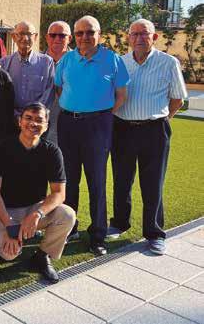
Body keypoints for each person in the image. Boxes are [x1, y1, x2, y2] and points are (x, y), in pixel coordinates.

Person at [108, 19, 187, 255]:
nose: (139, 38)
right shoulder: (120, 63)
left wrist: (162, 119)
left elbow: (177, 99)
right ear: (128, 38)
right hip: (122, 129)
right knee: (122, 180)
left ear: (154, 37)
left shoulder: (168, 63)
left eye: (144, 34)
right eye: (134, 34)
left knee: (153, 183)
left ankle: (154, 233)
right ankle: (119, 223)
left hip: (155, 130)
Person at [54, 15, 129, 256]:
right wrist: (76, 108)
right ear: (74, 36)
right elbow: (59, 88)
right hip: (68, 123)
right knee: (69, 179)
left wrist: (100, 115)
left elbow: (121, 95)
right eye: (79, 33)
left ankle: (97, 235)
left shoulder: (112, 60)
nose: (84, 37)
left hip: (98, 125)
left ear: (99, 34)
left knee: (96, 181)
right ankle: (69, 228)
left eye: (90, 32)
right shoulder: (67, 60)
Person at [0, 102, 75, 283]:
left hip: (34, 210)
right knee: (8, 254)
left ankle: (42, 256)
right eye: (28, 118)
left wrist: (38, 213)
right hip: (6, 212)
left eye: (39, 120)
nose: (33, 123)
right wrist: (9, 226)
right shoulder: (2, 148)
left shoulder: (52, 151)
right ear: (19, 121)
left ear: (46, 126)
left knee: (67, 215)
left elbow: (59, 193)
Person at [0, 21, 55, 116]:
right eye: (21, 34)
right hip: (11, 118)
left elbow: (49, 93)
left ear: (35, 37)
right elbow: (1, 94)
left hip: (37, 119)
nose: (25, 38)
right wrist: (16, 115)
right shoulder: (4, 63)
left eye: (29, 34)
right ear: (14, 37)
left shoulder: (47, 62)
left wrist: (32, 116)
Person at [44, 21, 72, 144]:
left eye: (62, 35)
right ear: (47, 37)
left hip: (71, 126)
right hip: (41, 127)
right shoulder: (36, 62)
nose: (57, 39)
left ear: (69, 38)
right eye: (53, 35)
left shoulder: (80, 62)